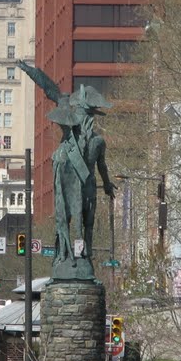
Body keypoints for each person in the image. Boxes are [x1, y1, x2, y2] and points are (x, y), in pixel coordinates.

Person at [17, 62, 115, 279]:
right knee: (76, 221)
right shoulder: (84, 141)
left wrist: (107, 185)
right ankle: (75, 255)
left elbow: (102, 167)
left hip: (82, 184)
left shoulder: (92, 142)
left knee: (79, 220)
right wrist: (31, 71)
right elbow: (49, 88)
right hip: (75, 182)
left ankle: (76, 256)